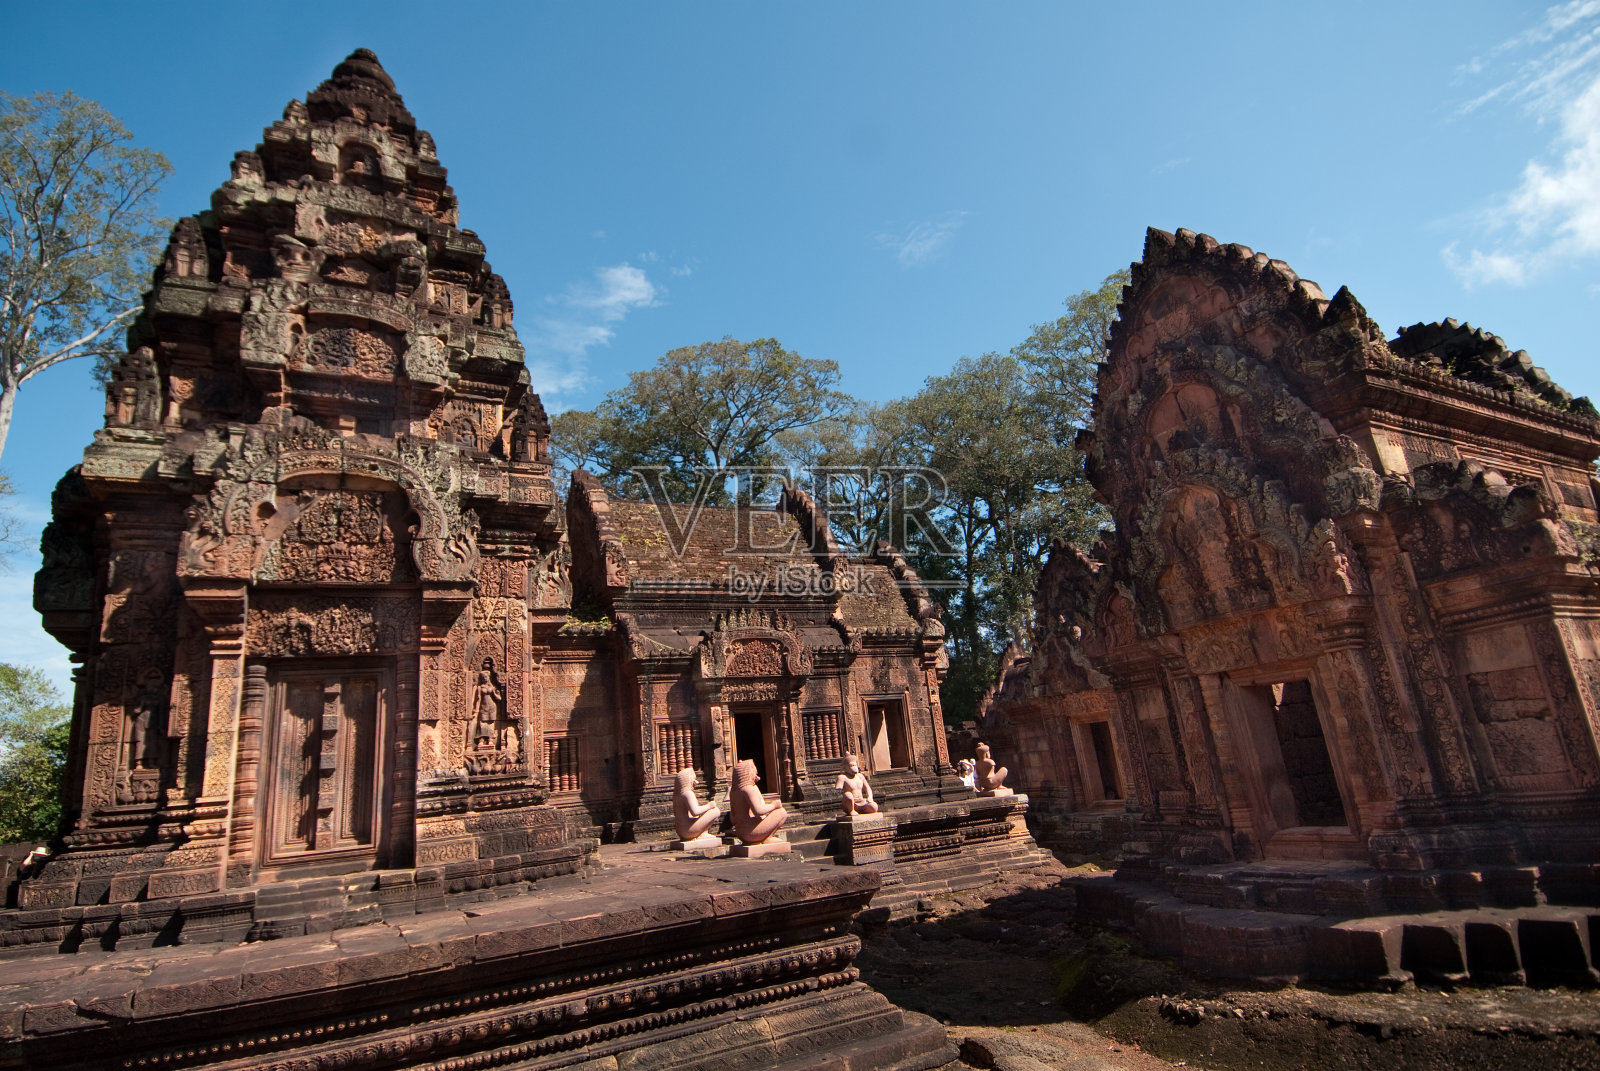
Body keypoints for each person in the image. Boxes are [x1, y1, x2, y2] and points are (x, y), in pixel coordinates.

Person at [730, 759, 788, 844]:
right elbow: (758, 811)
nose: (756, 775)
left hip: (740, 833)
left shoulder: (733, 792)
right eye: (754, 773)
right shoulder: (748, 789)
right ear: (748, 773)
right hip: (751, 833)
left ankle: (761, 838)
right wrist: (774, 805)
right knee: (782, 812)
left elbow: (733, 818)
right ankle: (768, 838)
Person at [671, 768, 721, 841]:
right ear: (687, 781)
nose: (696, 782)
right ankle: (702, 833)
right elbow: (695, 812)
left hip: (680, 831)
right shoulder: (688, 793)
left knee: (701, 815)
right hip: (688, 831)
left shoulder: (677, 795)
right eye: (693, 780)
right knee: (715, 811)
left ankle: (701, 833)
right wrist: (709, 805)